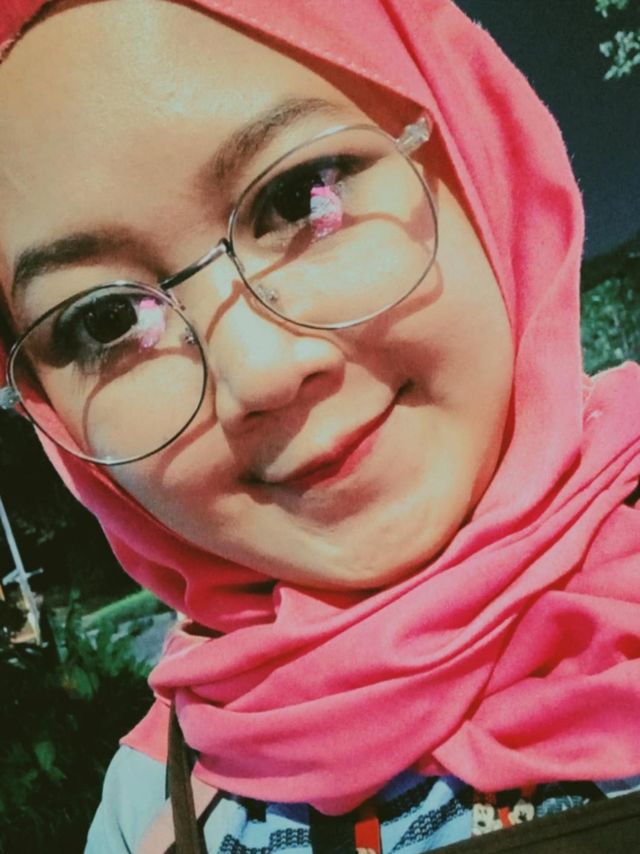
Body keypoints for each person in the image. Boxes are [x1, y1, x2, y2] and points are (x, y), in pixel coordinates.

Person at [0, 0, 639, 851]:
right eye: (106, 322)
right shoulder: (153, 804)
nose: (259, 370)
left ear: (471, 151)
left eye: (304, 195)